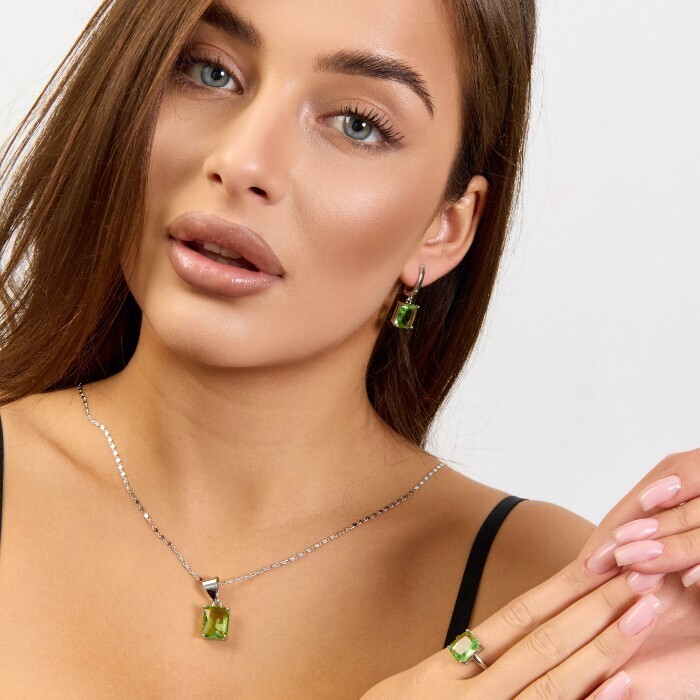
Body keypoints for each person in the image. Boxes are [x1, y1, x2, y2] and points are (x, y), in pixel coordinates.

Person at [0, 0, 697, 697]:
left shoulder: (565, 593)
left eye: (358, 124)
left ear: (446, 229)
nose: (241, 161)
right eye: (210, 71)